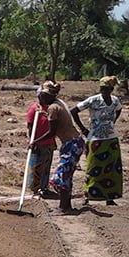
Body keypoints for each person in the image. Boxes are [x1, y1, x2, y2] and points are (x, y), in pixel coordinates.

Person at [29, 81, 85, 215]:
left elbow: (51, 132)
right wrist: (43, 113)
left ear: (48, 96)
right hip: (76, 142)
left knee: (62, 175)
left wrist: (35, 141)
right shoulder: (58, 103)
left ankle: (63, 208)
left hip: (70, 144)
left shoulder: (53, 108)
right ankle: (67, 205)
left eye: (42, 95)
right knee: (67, 176)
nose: (40, 98)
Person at [71, 76, 123, 205]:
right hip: (95, 139)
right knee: (93, 168)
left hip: (111, 140)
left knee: (111, 169)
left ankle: (109, 198)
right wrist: (83, 129)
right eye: (102, 89)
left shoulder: (115, 101)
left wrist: (112, 123)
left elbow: (119, 110)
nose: (104, 91)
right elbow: (74, 111)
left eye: (106, 89)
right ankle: (88, 196)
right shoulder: (93, 100)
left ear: (111, 89)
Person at [27, 81, 59, 198]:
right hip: (38, 143)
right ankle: (35, 190)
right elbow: (30, 127)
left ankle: (44, 188)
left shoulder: (50, 109)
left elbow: (52, 128)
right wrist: (32, 141)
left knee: (46, 167)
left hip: (48, 142)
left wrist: (53, 141)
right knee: (36, 167)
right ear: (39, 96)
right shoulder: (33, 109)